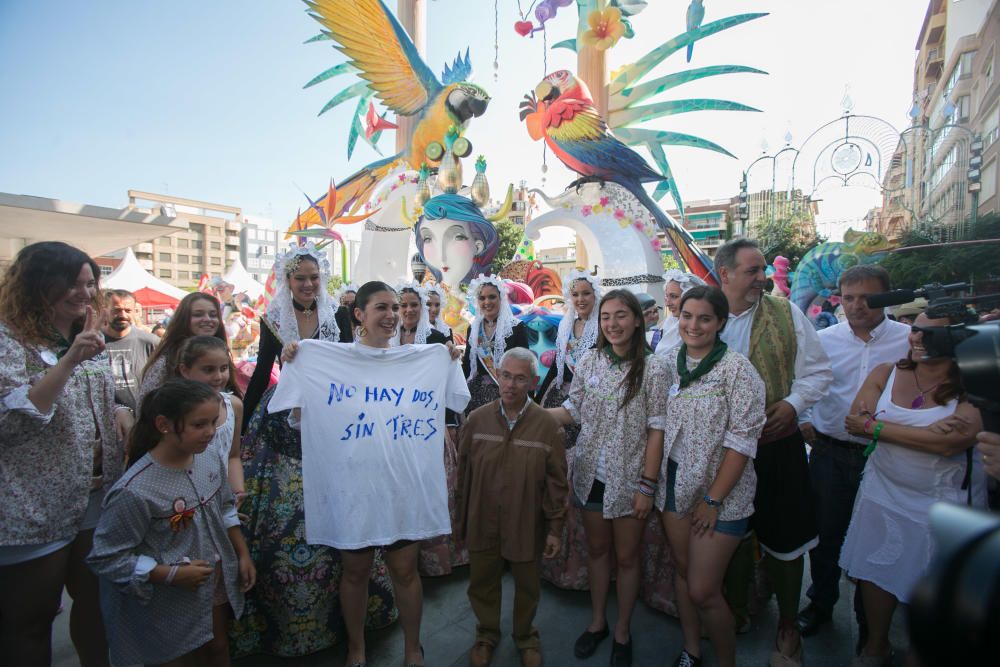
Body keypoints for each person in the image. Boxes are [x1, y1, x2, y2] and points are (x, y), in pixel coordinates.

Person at [272, 281, 470, 667]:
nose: (392, 315)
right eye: (382, 307)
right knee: (355, 571)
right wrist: (295, 359)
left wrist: (448, 358)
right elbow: (297, 416)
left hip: (401, 486)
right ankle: (357, 647)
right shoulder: (328, 360)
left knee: (405, 571)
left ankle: (414, 649)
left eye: (396, 307)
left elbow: (452, 397)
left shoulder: (421, 359)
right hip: (354, 487)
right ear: (359, 314)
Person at [231, 245, 396, 658]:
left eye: (313, 278)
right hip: (287, 419)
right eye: (300, 278)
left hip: (333, 415)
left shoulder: (339, 316)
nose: (307, 284)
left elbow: (353, 361)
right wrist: (238, 424)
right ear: (287, 281)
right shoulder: (272, 321)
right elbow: (257, 380)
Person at [0, 241, 129, 667]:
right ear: (40, 284)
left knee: (96, 609)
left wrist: (122, 411)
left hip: (95, 495)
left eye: (91, 283)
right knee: (31, 622)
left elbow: (94, 401)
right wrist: (70, 360)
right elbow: (9, 423)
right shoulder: (9, 341)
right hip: (33, 504)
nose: (85, 292)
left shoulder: (85, 336)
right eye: (73, 283)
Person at [839, 312, 985, 666]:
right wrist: (922, 435)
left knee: (935, 590)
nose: (916, 338)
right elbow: (853, 421)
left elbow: (951, 443)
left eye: (929, 334)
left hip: (944, 504)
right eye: (915, 330)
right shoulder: (886, 372)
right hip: (883, 493)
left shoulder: (976, 383)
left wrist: (877, 427)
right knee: (876, 574)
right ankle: (876, 646)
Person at [714, 239, 832, 667]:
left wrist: (793, 405)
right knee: (732, 533)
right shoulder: (700, 315)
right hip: (721, 453)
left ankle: (787, 627)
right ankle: (738, 609)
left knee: (787, 536)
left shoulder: (785, 313)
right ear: (724, 274)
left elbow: (818, 372)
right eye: (752, 270)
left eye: (763, 269)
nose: (762, 278)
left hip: (776, 445)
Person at [87, 380, 256, 666]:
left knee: (218, 646)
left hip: (212, 584)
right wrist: (167, 574)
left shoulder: (210, 457)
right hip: (166, 602)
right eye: (199, 424)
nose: (211, 433)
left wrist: (242, 554)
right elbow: (107, 558)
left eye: (214, 422)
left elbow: (225, 507)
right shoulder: (134, 492)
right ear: (164, 425)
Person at [547, 289, 668, 667]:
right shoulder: (589, 361)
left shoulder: (655, 368)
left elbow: (657, 430)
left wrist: (647, 485)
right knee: (598, 552)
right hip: (589, 475)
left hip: (631, 479)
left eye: (620, 315)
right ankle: (598, 622)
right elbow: (573, 409)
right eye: (606, 317)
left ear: (637, 320)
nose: (612, 324)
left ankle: (622, 630)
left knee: (627, 558)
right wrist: (528, 414)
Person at [794, 266, 911, 642]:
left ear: (886, 297)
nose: (857, 306)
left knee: (877, 543)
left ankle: (870, 625)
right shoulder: (824, 339)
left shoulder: (909, 341)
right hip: (830, 454)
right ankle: (821, 603)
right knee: (825, 535)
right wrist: (806, 421)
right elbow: (805, 384)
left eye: (867, 297)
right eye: (849, 298)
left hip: (888, 456)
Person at [656, 285, 766, 667]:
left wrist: (712, 500)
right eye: (687, 316)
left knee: (704, 589)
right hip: (673, 485)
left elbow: (741, 444)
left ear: (720, 323)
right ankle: (691, 649)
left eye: (704, 318)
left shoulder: (738, 371)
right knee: (685, 572)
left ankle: (726, 662)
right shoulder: (668, 363)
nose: (693, 325)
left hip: (723, 495)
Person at [457, 348, 568, 667]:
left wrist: (555, 528)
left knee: (528, 586)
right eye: (506, 375)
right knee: (482, 583)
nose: (511, 384)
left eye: (521, 378)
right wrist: (461, 520)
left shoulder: (546, 426)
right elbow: (463, 477)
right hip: (482, 520)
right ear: (497, 375)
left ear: (533, 383)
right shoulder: (477, 421)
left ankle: (525, 636)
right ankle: (486, 634)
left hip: (526, 523)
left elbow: (557, 482)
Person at [393, 283, 466, 576]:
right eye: (402, 305)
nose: (408, 310)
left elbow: (448, 385)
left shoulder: (437, 339)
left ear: (422, 307)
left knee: (430, 488)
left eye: (414, 305)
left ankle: (433, 562)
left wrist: (448, 356)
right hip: (394, 429)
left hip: (427, 428)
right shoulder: (386, 339)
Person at [535, 270, 600, 590]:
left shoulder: (604, 326)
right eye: (575, 294)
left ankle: (582, 567)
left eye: (586, 293)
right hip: (561, 396)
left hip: (589, 404)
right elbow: (556, 367)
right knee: (555, 472)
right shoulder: (564, 324)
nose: (580, 299)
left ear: (595, 295)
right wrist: (536, 400)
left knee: (579, 476)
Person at [177, 335, 245, 503]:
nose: (218, 377)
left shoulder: (234, 405)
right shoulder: (176, 410)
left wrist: (237, 491)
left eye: (223, 368)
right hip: (186, 498)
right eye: (208, 370)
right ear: (185, 370)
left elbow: (233, 456)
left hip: (223, 498)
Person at [138, 291, 237, 405]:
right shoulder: (165, 362)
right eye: (198, 314)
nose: (207, 319)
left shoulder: (222, 355)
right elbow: (145, 408)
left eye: (213, 315)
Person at [462, 275, 530, 415]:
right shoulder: (473, 328)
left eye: (492, 297)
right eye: (482, 298)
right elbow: (468, 366)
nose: (487, 302)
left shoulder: (516, 328)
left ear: (501, 299)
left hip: (507, 396)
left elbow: (525, 367)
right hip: (475, 397)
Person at [102, 289, 160, 412]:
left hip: (141, 418)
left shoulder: (150, 342)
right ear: (105, 310)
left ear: (134, 312)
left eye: (128, 311)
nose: (122, 315)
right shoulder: (94, 342)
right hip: (105, 417)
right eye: (116, 310)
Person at [653, 270, 706, 354]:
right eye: (667, 296)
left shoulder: (697, 330)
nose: (667, 303)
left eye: (674, 296)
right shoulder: (670, 322)